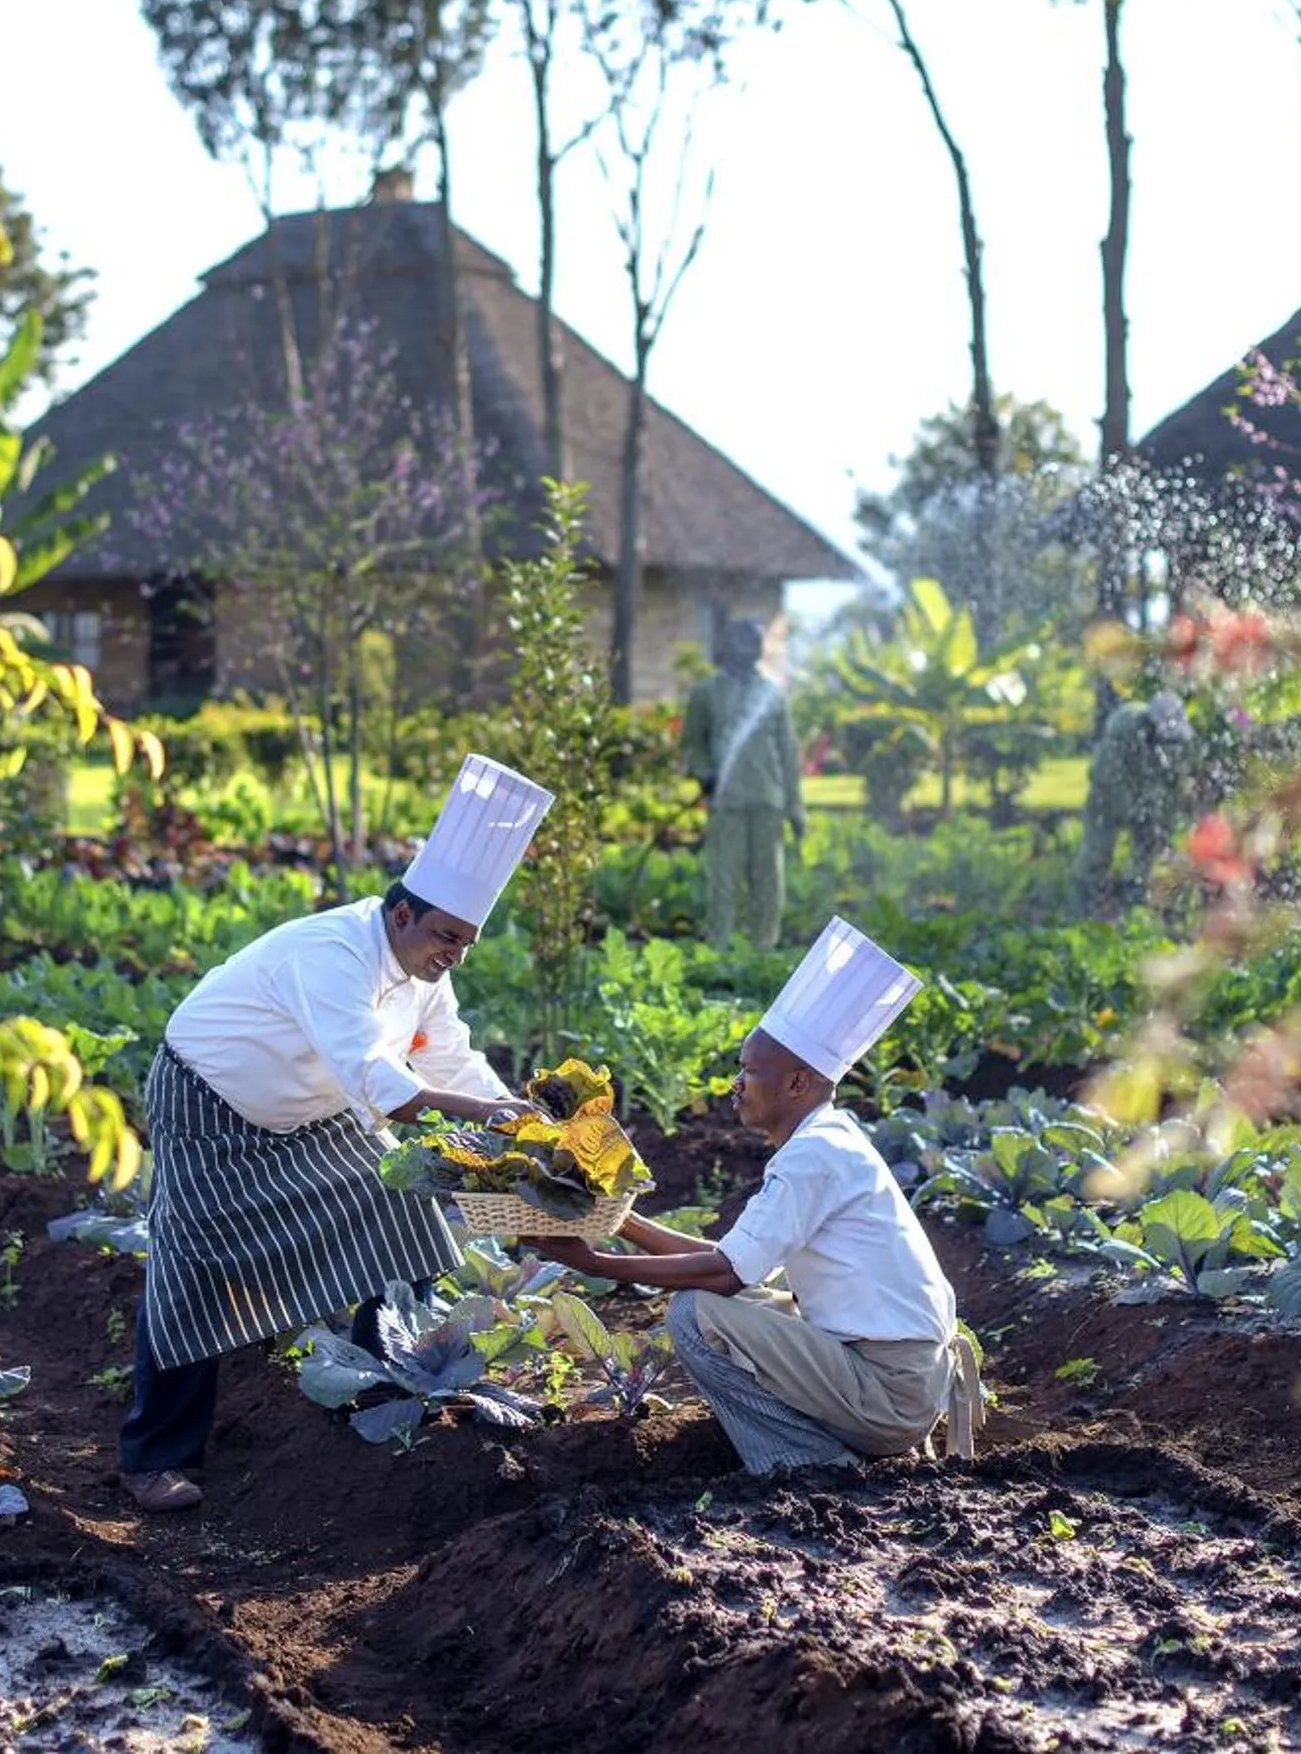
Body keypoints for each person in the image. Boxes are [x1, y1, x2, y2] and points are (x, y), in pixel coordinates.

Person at [116, 755, 553, 1512]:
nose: (452, 953)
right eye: (445, 935)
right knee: (192, 1273)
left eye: (466, 943)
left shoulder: (427, 974)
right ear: (399, 913)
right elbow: (377, 1080)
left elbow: (454, 1057)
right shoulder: (334, 952)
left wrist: (523, 1117)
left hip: (308, 1110)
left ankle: (380, 1389)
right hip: (207, 1102)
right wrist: (488, 1118)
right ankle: (153, 1459)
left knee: (406, 1210)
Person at [531, 919, 982, 1474]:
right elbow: (735, 1262)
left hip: (889, 1393)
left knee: (695, 1313)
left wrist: (590, 1260)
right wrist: (615, 1220)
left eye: (748, 1071)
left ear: (796, 1084)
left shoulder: (813, 1155)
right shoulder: (829, 1140)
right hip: (901, 1379)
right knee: (730, 1303)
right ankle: (827, 1447)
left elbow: (724, 1275)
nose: (734, 1085)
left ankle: (809, 1463)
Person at [681, 615, 804, 948]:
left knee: (768, 883)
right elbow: (692, 743)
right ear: (727, 645)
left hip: (768, 799)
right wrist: (703, 772)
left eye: (756, 641)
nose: (750, 647)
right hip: (727, 802)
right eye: (742, 640)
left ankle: (762, 951)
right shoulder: (707, 692)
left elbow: (788, 755)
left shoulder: (773, 694)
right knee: (723, 881)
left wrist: (795, 809)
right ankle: (718, 951)